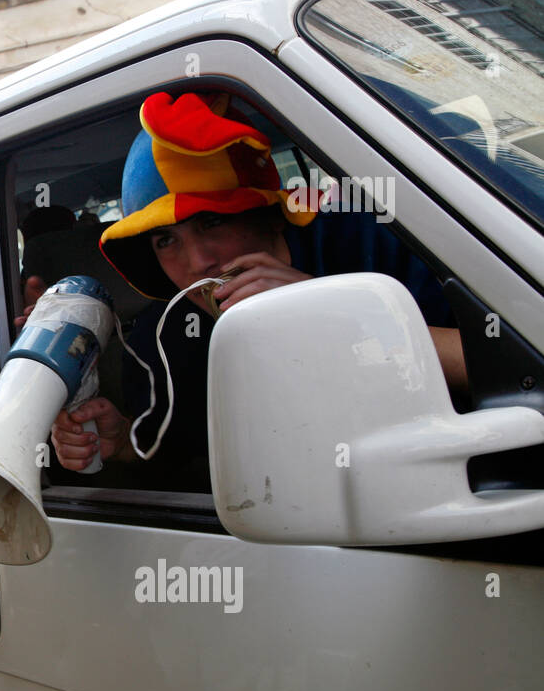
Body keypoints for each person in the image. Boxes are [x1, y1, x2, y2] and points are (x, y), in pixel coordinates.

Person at [48, 90, 469, 489]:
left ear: (265, 213)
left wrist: (332, 314)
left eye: (212, 222)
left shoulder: (374, 239)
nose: (198, 264)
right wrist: (121, 442)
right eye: (165, 241)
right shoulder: (168, 333)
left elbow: (511, 362)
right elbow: (180, 461)